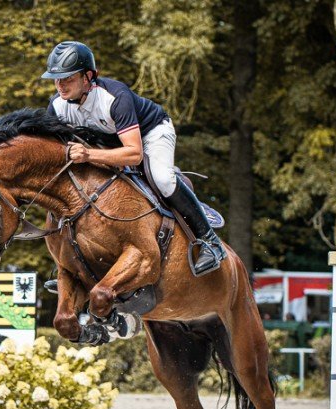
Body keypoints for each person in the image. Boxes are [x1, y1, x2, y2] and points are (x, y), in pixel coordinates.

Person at [42, 41, 226, 277]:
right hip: (109, 141)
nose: (60, 85)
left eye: (67, 78)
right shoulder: (57, 106)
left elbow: (134, 154)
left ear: (88, 76)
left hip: (150, 133)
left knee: (162, 179)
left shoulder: (115, 97)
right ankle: (65, 262)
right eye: (56, 79)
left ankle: (209, 241)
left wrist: (88, 154)